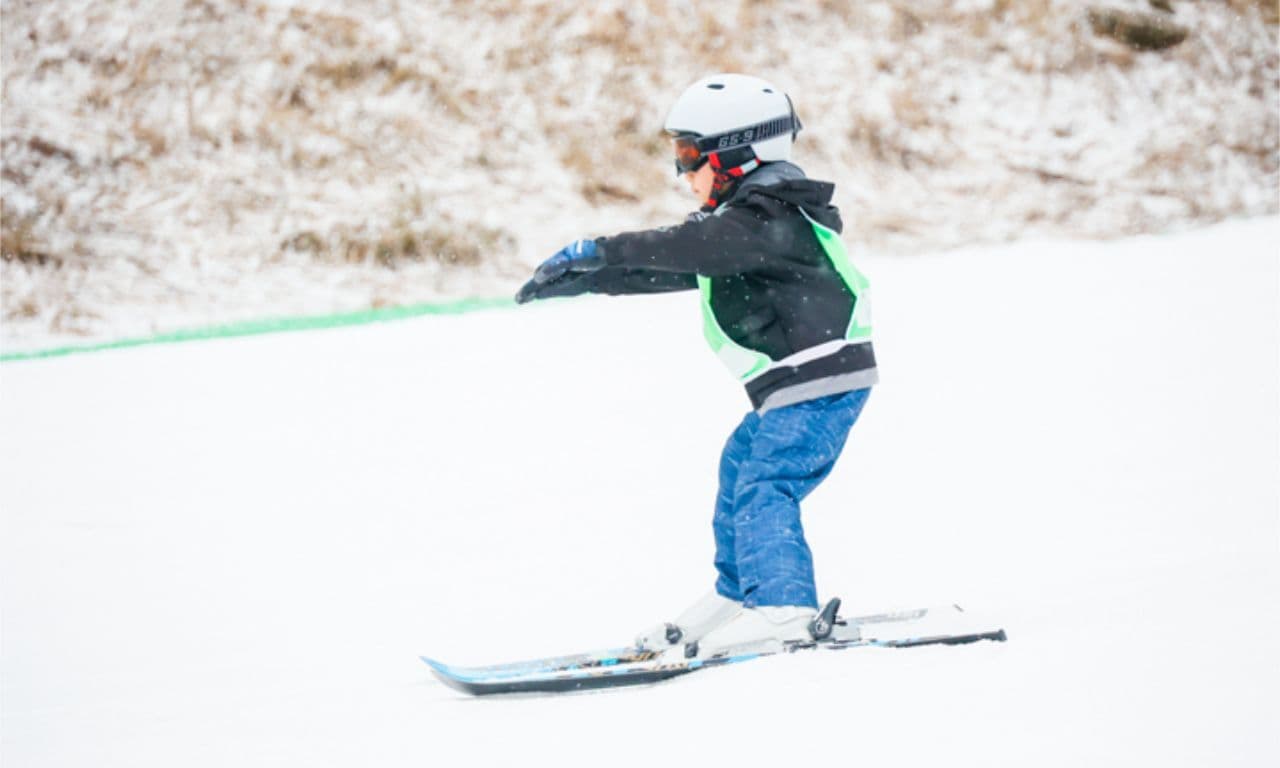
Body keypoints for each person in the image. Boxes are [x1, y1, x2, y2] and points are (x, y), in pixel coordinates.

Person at [515, 73, 877, 659]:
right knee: (741, 467)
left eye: (689, 154)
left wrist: (600, 248)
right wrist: (593, 280)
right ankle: (738, 595)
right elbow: (679, 267)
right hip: (801, 384)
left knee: (767, 481)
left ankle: (785, 608)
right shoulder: (747, 227)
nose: (681, 171)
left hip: (821, 381)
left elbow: (687, 249)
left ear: (739, 153)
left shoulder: (765, 220)